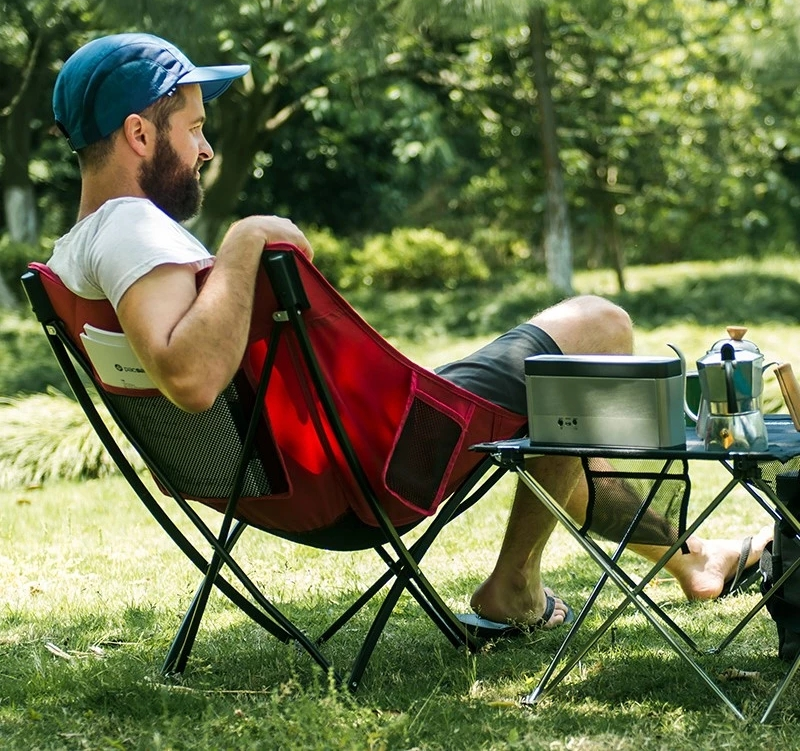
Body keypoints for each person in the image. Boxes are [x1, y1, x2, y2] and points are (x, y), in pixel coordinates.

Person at [47, 33, 769, 637]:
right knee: (598, 327)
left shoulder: (76, 256)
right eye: (194, 127)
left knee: (561, 417)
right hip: (381, 468)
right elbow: (191, 378)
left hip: (285, 479)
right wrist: (246, 238)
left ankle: (689, 559)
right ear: (139, 134)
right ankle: (526, 584)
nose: (205, 149)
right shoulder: (132, 227)